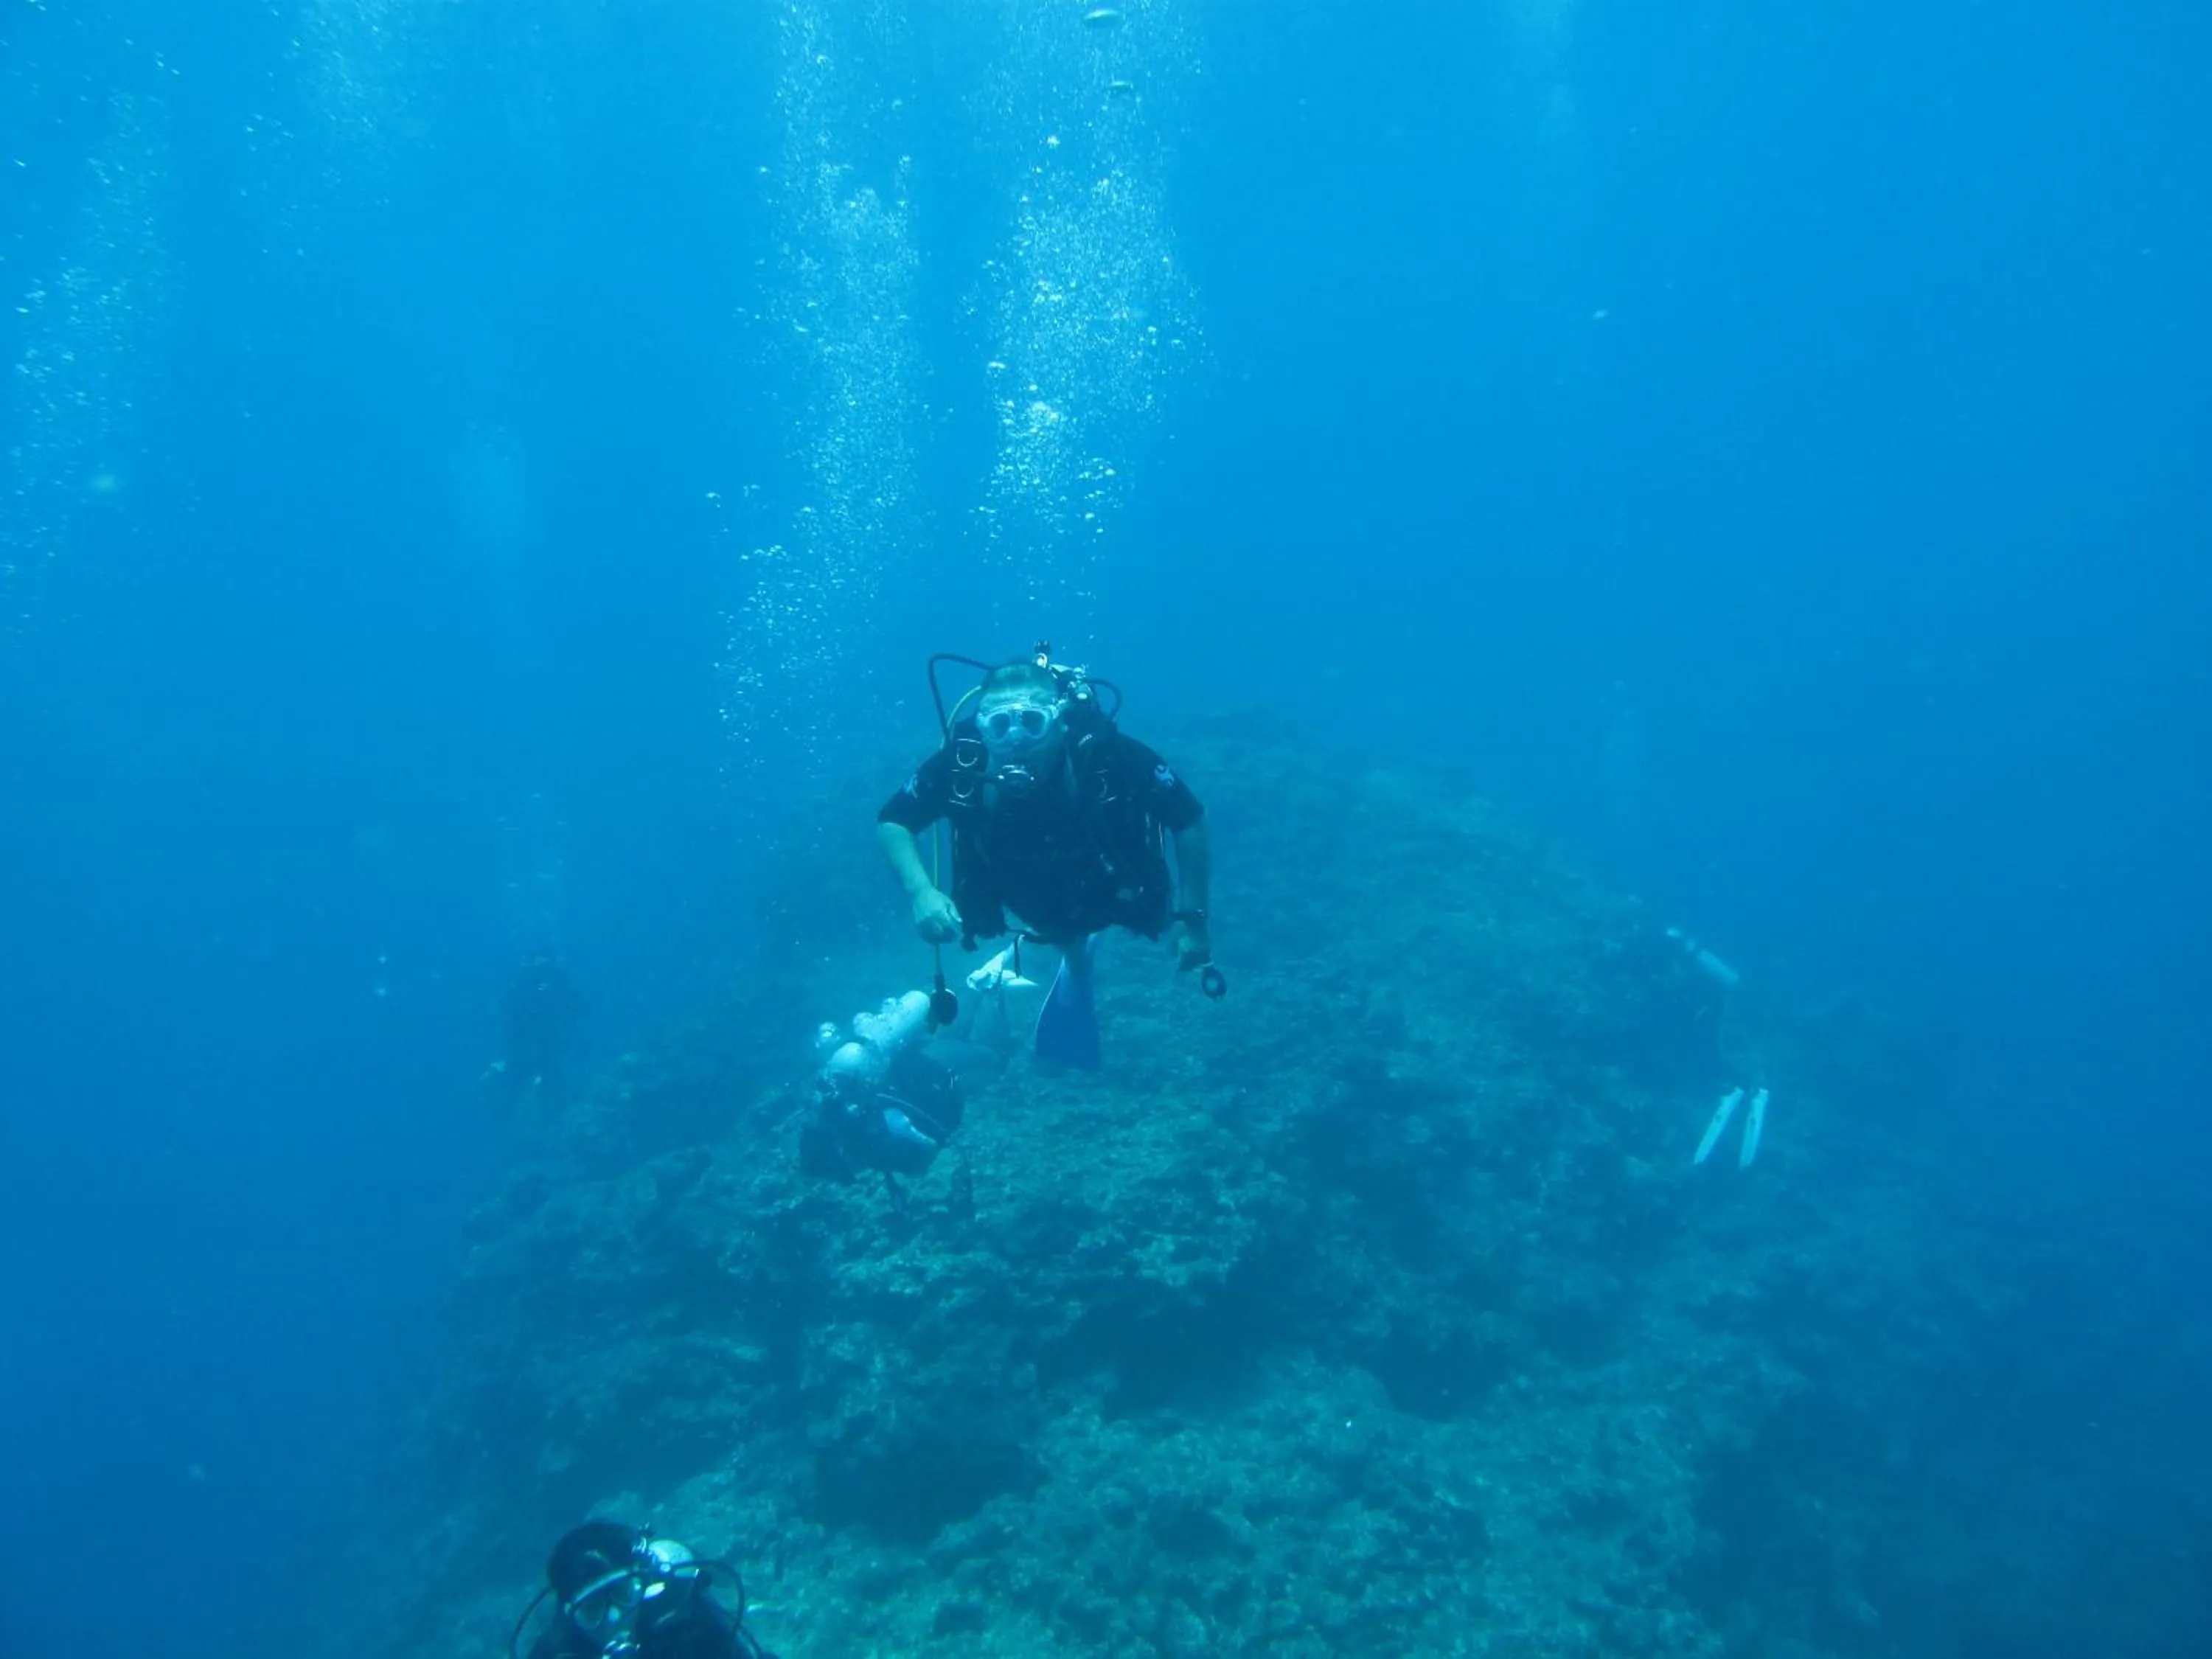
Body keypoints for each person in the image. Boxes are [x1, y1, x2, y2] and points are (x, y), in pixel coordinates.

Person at [875, 647, 1219, 1069]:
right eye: (999, 725)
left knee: (1156, 920)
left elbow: (1188, 818)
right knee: (1056, 926)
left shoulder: (1108, 754)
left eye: (1032, 722)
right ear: (982, 726)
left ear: (1057, 720)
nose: (1016, 740)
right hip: (1020, 879)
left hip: (1107, 872)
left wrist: (1195, 921)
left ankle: (1072, 953)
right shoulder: (961, 762)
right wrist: (920, 892)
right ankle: (1070, 960)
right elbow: (894, 821)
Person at [509, 1520, 775, 1659]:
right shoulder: (560, 1653)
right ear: (570, 1614)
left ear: (645, 1583)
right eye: (592, 1610)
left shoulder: (684, 1619)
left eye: (623, 1594)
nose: (615, 1619)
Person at [484, 945, 587, 1111]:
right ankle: (498, 1077)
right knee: (512, 1096)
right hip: (531, 1046)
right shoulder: (522, 984)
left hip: (545, 1046)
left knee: (543, 1094)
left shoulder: (557, 982)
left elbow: (581, 1009)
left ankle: (499, 1077)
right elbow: (505, 1012)